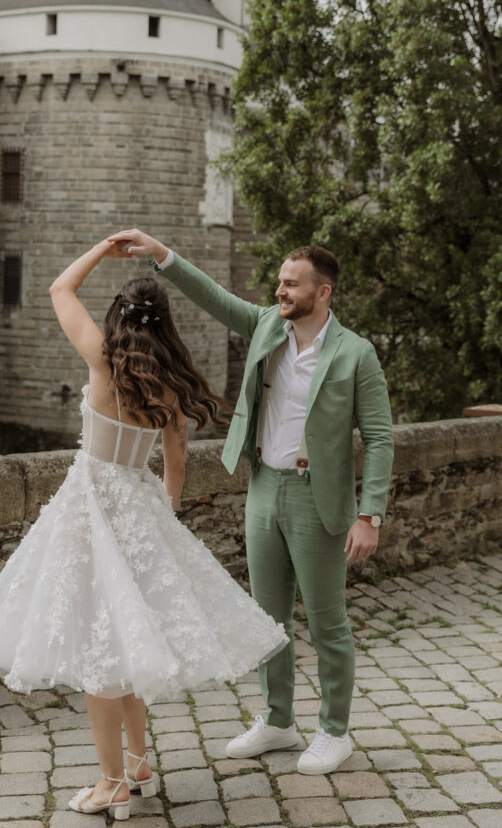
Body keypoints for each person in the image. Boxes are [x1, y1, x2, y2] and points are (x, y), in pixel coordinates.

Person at [0, 236, 287, 820]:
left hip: (89, 507)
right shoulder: (172, 385)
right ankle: (137, 763)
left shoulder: (102, 359)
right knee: (128, 639)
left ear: (118, 319)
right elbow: (177, 464)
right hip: (138, 504)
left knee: (101, 650)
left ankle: (112, 782)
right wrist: (162, 513)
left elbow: (59, 288)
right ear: (166, 328)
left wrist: (98, 251)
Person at [108, 229, 394, 776]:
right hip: (263, 488)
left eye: (292, 284)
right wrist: (160, 252)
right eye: (280, 282)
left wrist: (368, 514)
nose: (281, 290)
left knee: (328, 623)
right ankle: (277, 720)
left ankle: (334, 732)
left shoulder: (356, 353)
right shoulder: (267, 325)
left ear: (323, 292)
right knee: (268, 619)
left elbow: (380, 438)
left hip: (319, 499)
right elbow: (215, 297)